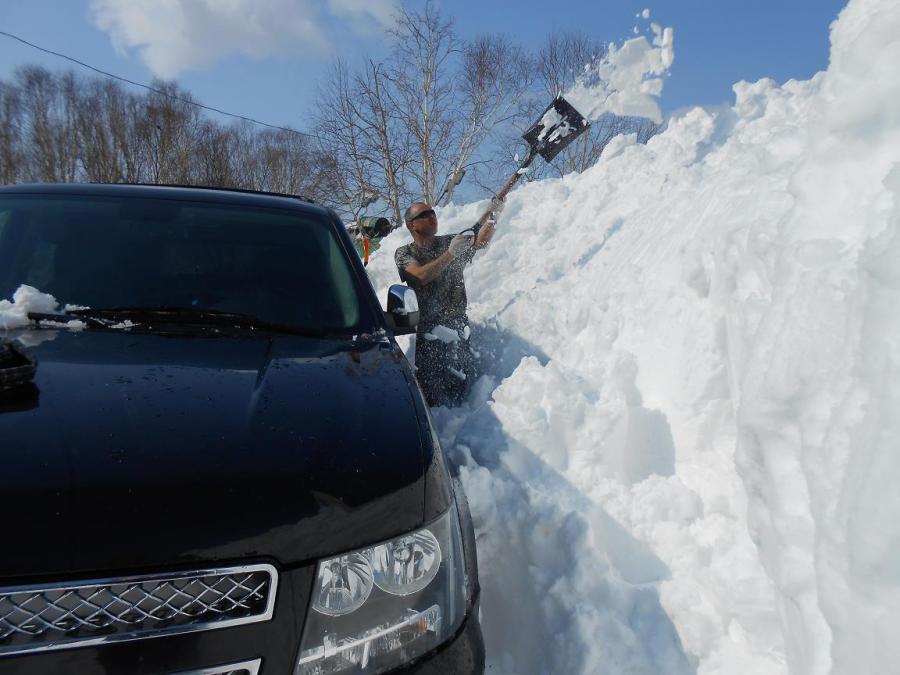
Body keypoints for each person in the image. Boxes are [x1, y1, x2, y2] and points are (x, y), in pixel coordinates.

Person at [394, 202, 496, 406]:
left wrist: (493, 217)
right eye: (425, 214)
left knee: (462, 396)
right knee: (432, 400)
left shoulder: (450, 241)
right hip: (429, 333)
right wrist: (451, 254)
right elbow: (420, 276)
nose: (432, 215)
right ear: (412, 225)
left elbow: (480, 242)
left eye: (432, 211)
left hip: (459, 327)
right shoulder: (405, 253)